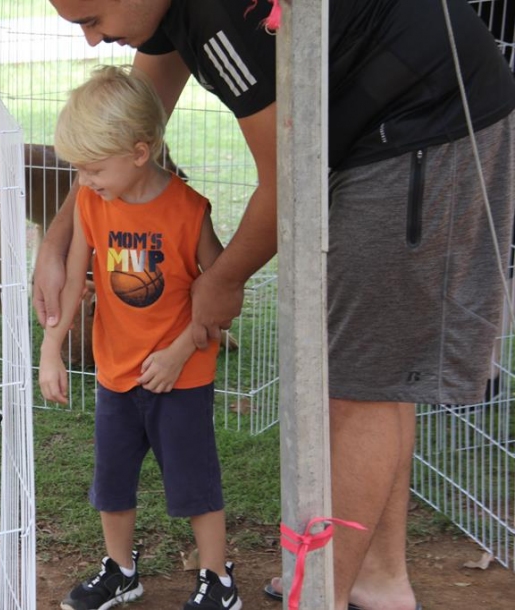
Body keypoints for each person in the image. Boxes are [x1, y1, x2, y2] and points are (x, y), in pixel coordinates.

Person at [36, 2, 515, 609]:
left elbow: (284, 173)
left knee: (357, 381)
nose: (90, 38)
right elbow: (137, 106)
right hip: (385, 127)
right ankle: (378, 577)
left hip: (424, 120)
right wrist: (57, 241)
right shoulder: (165, 14)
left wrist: (225, 277)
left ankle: (323, 596)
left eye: (91, 16)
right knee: (374, 374)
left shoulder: (216, 13)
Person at [39, 64, 240, 610]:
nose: (83, 180)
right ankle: (121, 571)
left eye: (92, 168)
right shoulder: (90, 204)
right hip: (115, 372)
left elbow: (221, 299)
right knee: (112, 484)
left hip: (183, 375)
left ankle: (218, 580)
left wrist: (178, 354)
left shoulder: (189, 211)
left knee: (195, 483)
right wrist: (50, 352)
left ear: (138, 151)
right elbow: (75, 285)